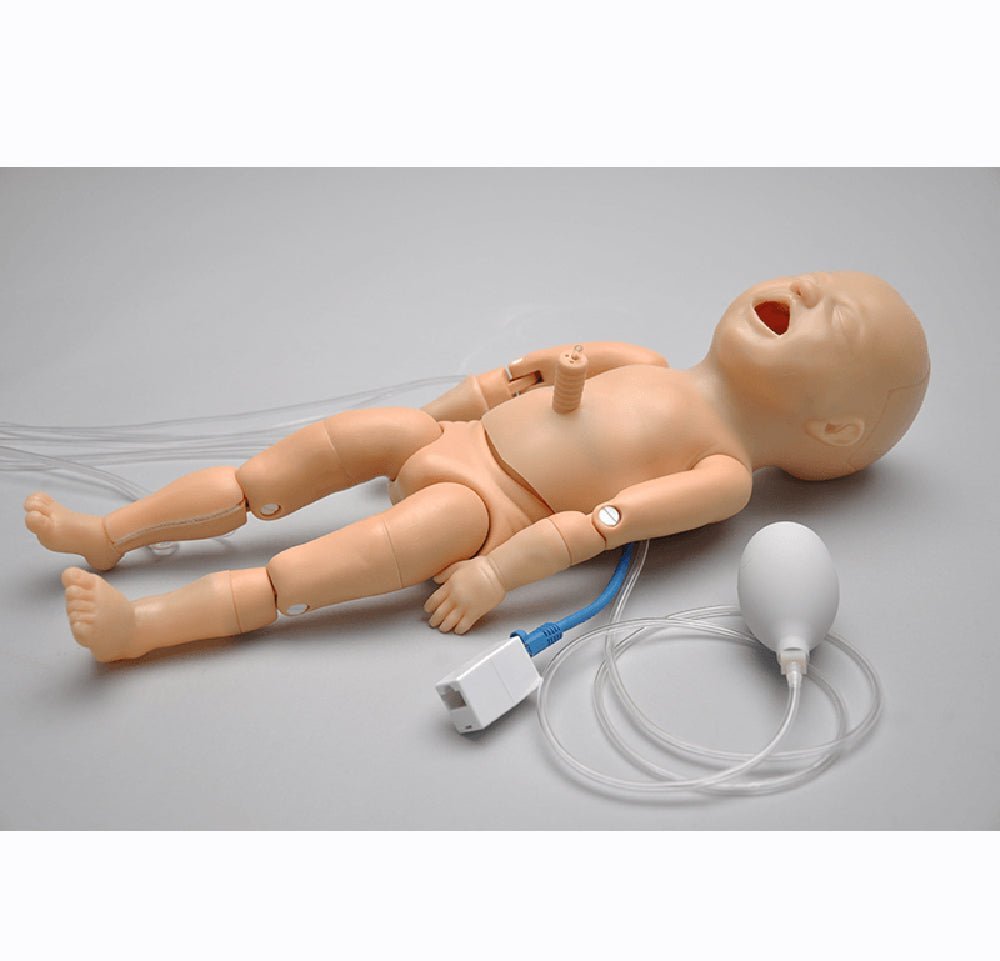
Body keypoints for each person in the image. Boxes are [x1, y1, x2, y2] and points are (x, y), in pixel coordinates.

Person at [23, 271, 930, 662]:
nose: (806, 289)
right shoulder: (643, 358)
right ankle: (110, 533)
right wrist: (435, 418)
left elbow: (593, 529)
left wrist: (497, 572)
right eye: (816, 276)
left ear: (835, 429)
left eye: (835, 318)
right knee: (264, 477)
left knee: (294, 576)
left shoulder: (721, 474)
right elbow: (517, 376)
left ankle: (141, 630)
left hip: (483, 508)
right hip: (444, 440)